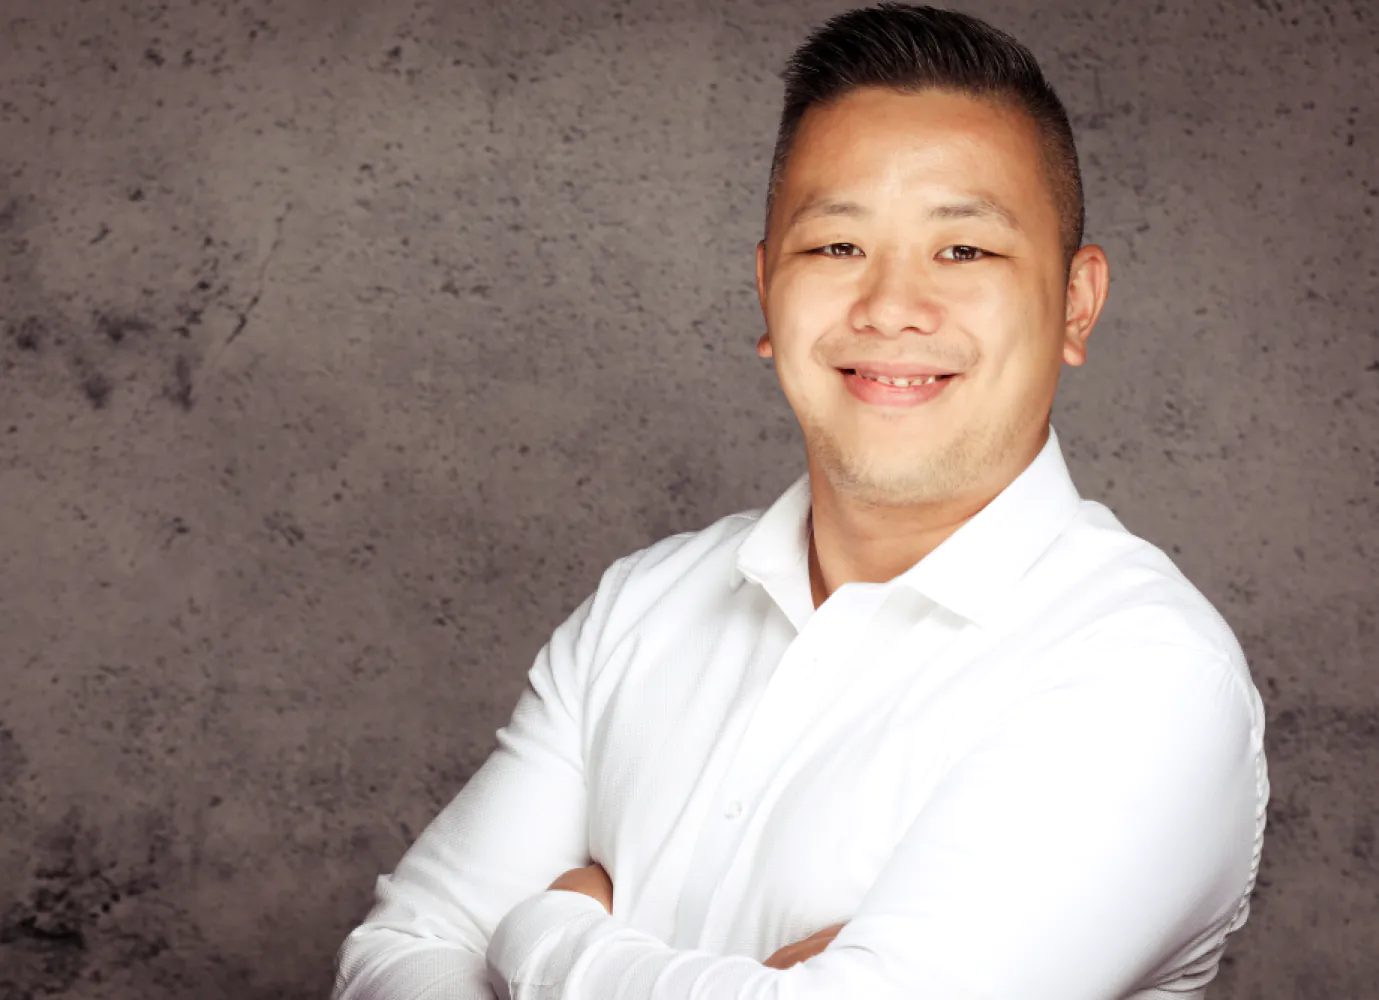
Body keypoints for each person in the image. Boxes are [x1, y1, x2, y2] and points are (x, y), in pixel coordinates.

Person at [331, 4, 1269, 998]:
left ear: (1075, 303)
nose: (890, 306)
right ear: (764, 291)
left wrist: (546, 932)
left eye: (964, 251)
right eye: (835, 247)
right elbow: (395, 956)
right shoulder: (640, 607)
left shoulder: (1145, 673)